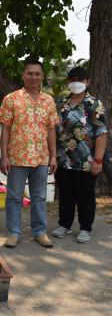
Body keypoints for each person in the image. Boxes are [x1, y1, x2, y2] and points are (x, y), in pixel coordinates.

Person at [0, 59, 59, 248]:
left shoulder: (48, 101)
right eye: (29, 73)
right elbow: (5, 129)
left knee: (39, 196)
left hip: (41, 157)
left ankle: (40, 232)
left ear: (42, 76)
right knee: (14, 196)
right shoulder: (11, 98)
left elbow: (50, 130)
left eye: (37, 74)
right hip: (16, 156)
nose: (33, 77)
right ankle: (14, 233)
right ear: (23, 75)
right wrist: (4, 156)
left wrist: (53, 156)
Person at [53, 67, 107, 243]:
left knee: (85, 194)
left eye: (80, 79)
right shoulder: (61, 103)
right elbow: (52, 131)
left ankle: (85, 228)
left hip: (86, 160)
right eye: (73, 79)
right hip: (63, 159)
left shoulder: (94, 104)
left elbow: (101, 133)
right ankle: (64, 224)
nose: (76, 82)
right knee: (65, 193)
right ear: (68, 82)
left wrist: (98, 159)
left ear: (87, 81)